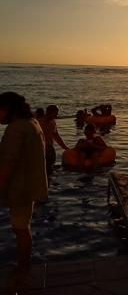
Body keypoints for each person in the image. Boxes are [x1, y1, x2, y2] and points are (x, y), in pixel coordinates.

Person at [0, 92, 48, 271]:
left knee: (20, 228)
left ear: (7, 109)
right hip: (30, 186)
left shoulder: (16, 128)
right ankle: (24, 265)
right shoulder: (33, 123)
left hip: (20, 188)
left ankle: (23, 268)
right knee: (22, 227)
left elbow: (9, 161)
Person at [39, 105, 69, 176]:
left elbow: (56, 136)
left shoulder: (53, 122)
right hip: (40, 149)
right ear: (49, 112)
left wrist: (65, 147)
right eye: (55, 113)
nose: (56, 115)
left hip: (50, 148)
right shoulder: (39, 122)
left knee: (50, 167)